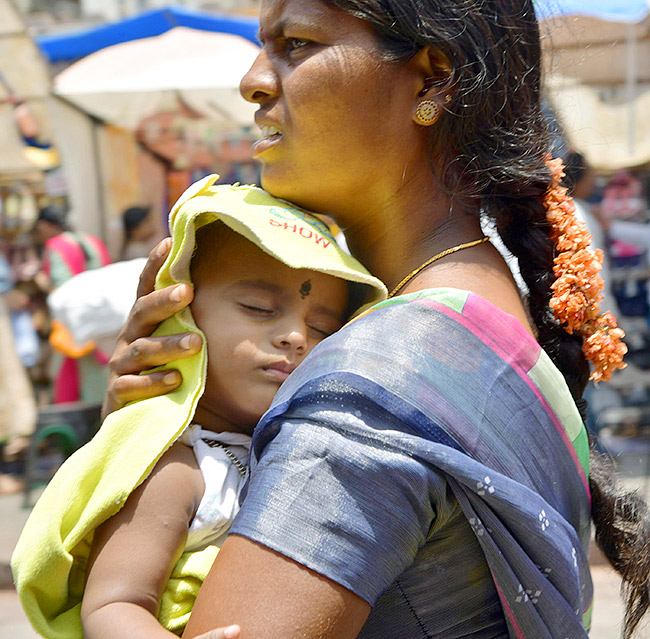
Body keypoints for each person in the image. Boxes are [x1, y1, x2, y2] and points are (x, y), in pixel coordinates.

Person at [102, 1, 650, 638]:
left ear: (431, 79)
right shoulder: (477, 319)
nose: (253, 80)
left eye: (297, 43)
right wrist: (150, 431)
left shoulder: (376, 385)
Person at [11, 178, 385, 639]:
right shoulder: (176, 468)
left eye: (323, 326)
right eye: (258, 307)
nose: (295, 336)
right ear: (181, 317)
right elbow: (113, 605)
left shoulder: (290, 443)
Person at [34, 205, 112, 404]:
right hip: (103, 317)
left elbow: (60, 286)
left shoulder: (56, 246)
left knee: (71, 376)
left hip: (73, 322)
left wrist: (43, 283)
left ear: (44, 225)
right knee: (102, 373)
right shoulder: (92, 241)